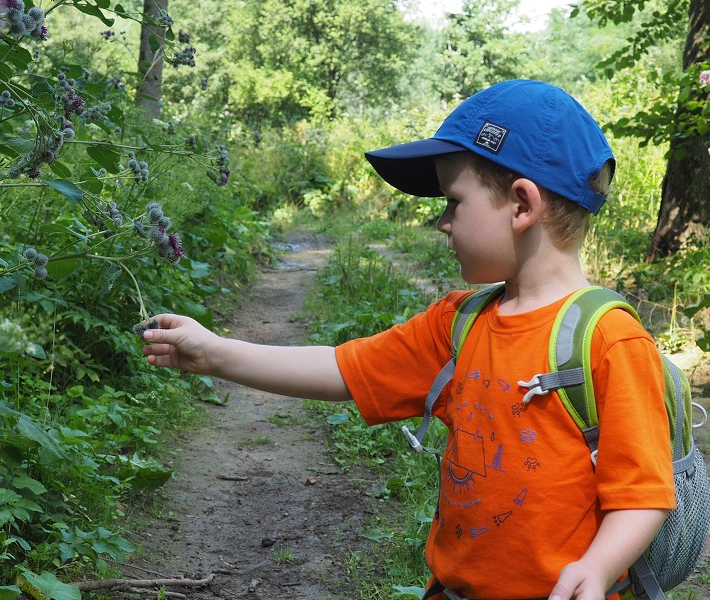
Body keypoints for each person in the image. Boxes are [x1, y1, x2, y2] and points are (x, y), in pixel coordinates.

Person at [140, 79, 676, 600]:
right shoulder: (459, 324)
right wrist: (213, 353)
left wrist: (597, 568)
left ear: (521, 206)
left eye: (453, 202)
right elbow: (344, 370)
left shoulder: (609, 340)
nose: (442, 223)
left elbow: (642, 492)